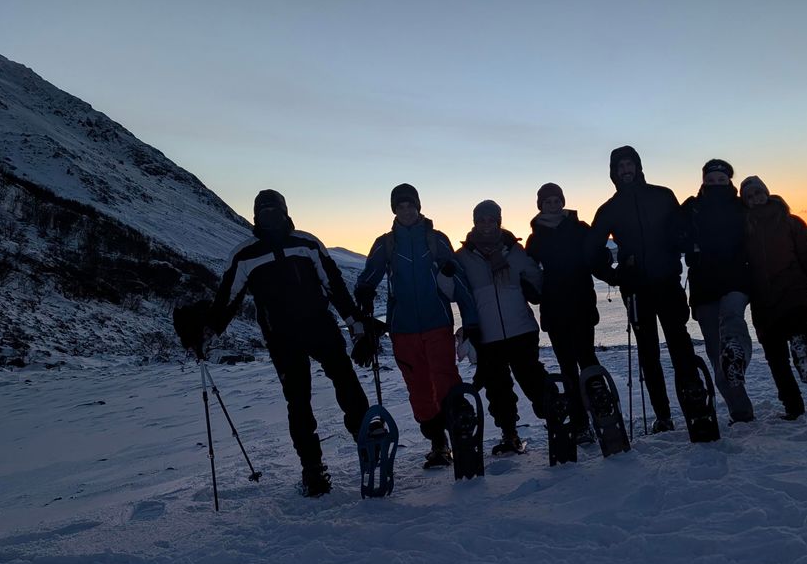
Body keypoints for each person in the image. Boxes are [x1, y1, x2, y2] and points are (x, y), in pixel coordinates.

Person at [207, 189, 376, 497]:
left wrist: (355, 322)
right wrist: (208, 331)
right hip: (282, 337)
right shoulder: (245, 255)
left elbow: (334, 284)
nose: (270, 217)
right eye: (264, 212)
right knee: (299, 401)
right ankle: (312, 468)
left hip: (319, 327)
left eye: (275, 211)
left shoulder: (307, 243)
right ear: (256, 216)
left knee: (346, 381)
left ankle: (367, 442)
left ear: (285, 212)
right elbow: (227, 299)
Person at [354, 184, 480, 468]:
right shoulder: (386, 244)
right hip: (403, 329)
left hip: (438, 323)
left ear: (418, 206)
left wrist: (470, 320)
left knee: (445, 378)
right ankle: (438, 443)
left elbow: (458, 281)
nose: (406, 210)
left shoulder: (436, 240)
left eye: (410, 205)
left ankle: (460, 432)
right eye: (400, 206)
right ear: (394, 210)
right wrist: (363, 293)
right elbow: (369, 277)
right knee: (419, 388)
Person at [587, 145, 702, 433]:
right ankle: (663, 415)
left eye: (629, 165)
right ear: (614, 172)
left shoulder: (663, 195)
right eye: (620, 167)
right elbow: (591, 250)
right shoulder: (609, 209)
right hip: (636, 289)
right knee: (648, 352)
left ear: (638, 167)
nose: (626, 170)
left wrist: (688, 242)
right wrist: (614, 275)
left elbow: (682, 232)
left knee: (680, 343)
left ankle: (695, 405)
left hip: (668, 282)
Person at [457, 200, 551, 455]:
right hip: (488, 335)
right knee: (497, 388)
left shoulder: (514, 251)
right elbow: (454, 291)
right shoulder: (463, 257)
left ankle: (556, 416)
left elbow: (537, 279)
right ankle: (509, 433)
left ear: (498, 222)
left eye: (491, 220)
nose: (486, 225)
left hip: (521, 328)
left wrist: (534, 289)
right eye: (481, 220)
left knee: (532, 378)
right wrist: (444, 275)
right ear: (474, 223)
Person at [525, 182, 614, 444]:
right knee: (566, 368)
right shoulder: (535, 238)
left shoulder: (579, 227)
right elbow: (529, 272)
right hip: (554, 309)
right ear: (540, 205)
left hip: (581, 303)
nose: (553, 205)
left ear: (563, 202)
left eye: (557, 200)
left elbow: (596, 254)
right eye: (548, 202)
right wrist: (531, 291)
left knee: (587, 359)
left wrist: (608, 262)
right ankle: (580, 423)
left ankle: (603, 412)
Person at [740, 175, 807, 420]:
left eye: (758, 193)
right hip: (763, 299)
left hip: (793, 290)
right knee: (775, 357)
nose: (756, 199)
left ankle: (804, 353)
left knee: (798, 327)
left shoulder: (790, 222)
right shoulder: (744, 228)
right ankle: (793, 406)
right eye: (749, 196)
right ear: (745, 201)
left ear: (767, 192)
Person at [679, 159, 756, 424]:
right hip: (703, 284)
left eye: (721, 180)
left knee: (733, 323)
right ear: (703, 181)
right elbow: (673, 234)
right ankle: (741, 411)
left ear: (729, 181)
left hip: (736, 279)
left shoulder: (740, 206)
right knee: (715, 350)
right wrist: (689, 245)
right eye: (710, 180)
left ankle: (737, 357)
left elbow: (760, 231)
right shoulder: (692, 207)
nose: (715, 184)